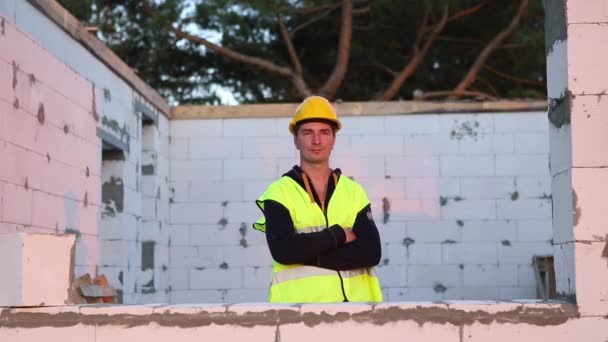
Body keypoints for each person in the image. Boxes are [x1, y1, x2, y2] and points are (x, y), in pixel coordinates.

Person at [253, 95, 383, 303]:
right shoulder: (278, 193)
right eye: (307, 132)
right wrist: (338, 235)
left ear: (333, 140)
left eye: (324, 132)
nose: (316, 141)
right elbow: (284, 251)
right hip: (298, 312)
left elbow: (370, 252)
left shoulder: (354, 191)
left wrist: (307, 254)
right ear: (296, 140)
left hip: (357, 311)